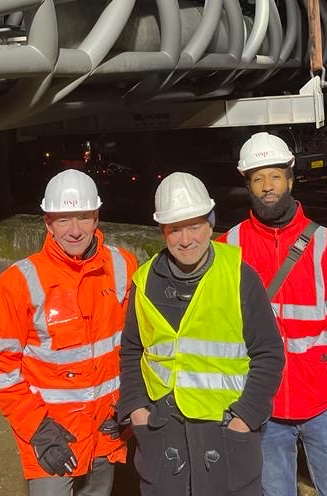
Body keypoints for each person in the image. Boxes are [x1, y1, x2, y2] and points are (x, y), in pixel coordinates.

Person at [217, 132, 327, 496]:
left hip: (326, 407)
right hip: (263, 406)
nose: (267, 186)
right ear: (248, 185)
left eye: (274, 176)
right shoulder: (228, 247)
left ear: (290, 179)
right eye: (258, 179)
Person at [118, 172, 284, 496]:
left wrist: (245, 418)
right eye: (175, 228)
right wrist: (136, 409)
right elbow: (132, 352)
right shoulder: (144, 282)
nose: (185, 239)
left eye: (194, 225)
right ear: (162, 230)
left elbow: (268, 353)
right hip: (163, 435)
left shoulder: (240, 277)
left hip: (225, 435)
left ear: (211, 223)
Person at [0, 169, 137, 496]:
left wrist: (129, 402)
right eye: (63, 220)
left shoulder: (124, 266)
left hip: (107, 429)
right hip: (51, 435)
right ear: (48, 223)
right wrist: (38, 429)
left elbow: (139, 348)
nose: (75, 230)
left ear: (96, 217)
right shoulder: (16, 283)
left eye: (83, 217)